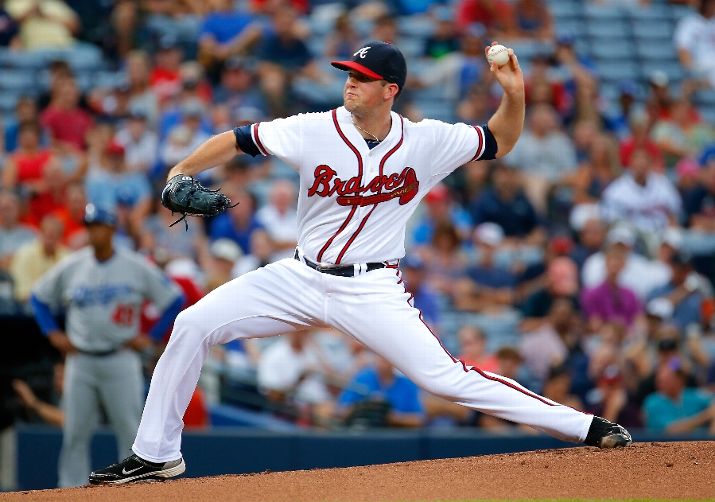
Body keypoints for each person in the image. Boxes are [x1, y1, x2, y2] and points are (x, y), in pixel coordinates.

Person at [90, 41, 632, 485]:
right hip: (299, 276)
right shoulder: (314, 128)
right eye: (349, 73)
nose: (350, 82)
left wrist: (513, 94)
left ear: (390, 89)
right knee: (192, 323)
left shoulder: (426, 141)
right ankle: (156, 455)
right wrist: (181, 171)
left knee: (445, 379)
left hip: (371, 289)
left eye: (363, 77)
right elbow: (237, 139)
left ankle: (583, 426)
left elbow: (499, 141)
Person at [30, 204, 184, 487]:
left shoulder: (135, 265)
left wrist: (151, 336)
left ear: (112, 229)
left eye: (99, 226)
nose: (94, 232)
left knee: (130, 432)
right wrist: (51, 332)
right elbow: (38, 297)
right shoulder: (73, 265)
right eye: (90, 227)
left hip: (120, 358)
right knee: (74, 432)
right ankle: (71, 489)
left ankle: (132, 489)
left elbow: (175, 298)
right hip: (81, 359)